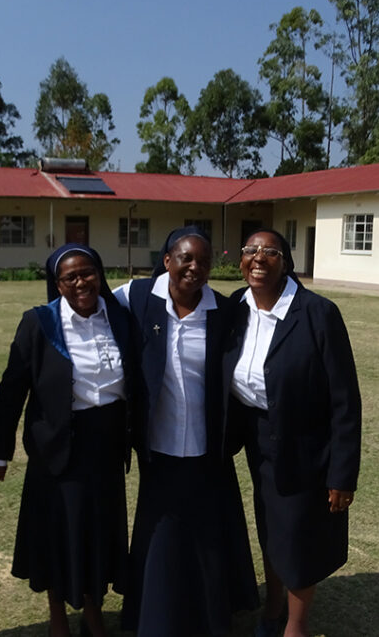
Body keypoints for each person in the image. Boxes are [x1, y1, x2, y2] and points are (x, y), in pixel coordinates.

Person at [0, 244, 136, 637]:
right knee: (57, 532)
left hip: (107, 446)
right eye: (71, 277)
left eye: (88, 273)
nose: (82, 282)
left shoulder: (119, 317)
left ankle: (94, 611)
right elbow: (12, 392)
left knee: (99, 531)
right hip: (58, 449)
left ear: (100, 274)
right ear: (57, 284)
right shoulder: (40, 323)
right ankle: (58, 616)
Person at [114, 226, 258, 637]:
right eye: (186, 259)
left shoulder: (225, 311)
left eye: (204, 261)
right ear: (167, 260)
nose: (194, 268)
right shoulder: (137, 298)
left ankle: (209, 617)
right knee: (160, 536)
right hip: (157, 446)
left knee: (206, 537)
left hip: (206, 447)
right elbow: (86, 302)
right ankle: (155, 617)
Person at [223, 228, 362, 637]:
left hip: (306, 442)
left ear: (286, 261)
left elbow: (345, 399)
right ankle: (272, 606)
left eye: (270, 251)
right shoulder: (236, 307)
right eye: (250, 250)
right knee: (270, 525)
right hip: (257, 436)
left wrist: (342, 474)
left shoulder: (317, 313)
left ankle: (295, 626)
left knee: (299, 534)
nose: (258, 258)